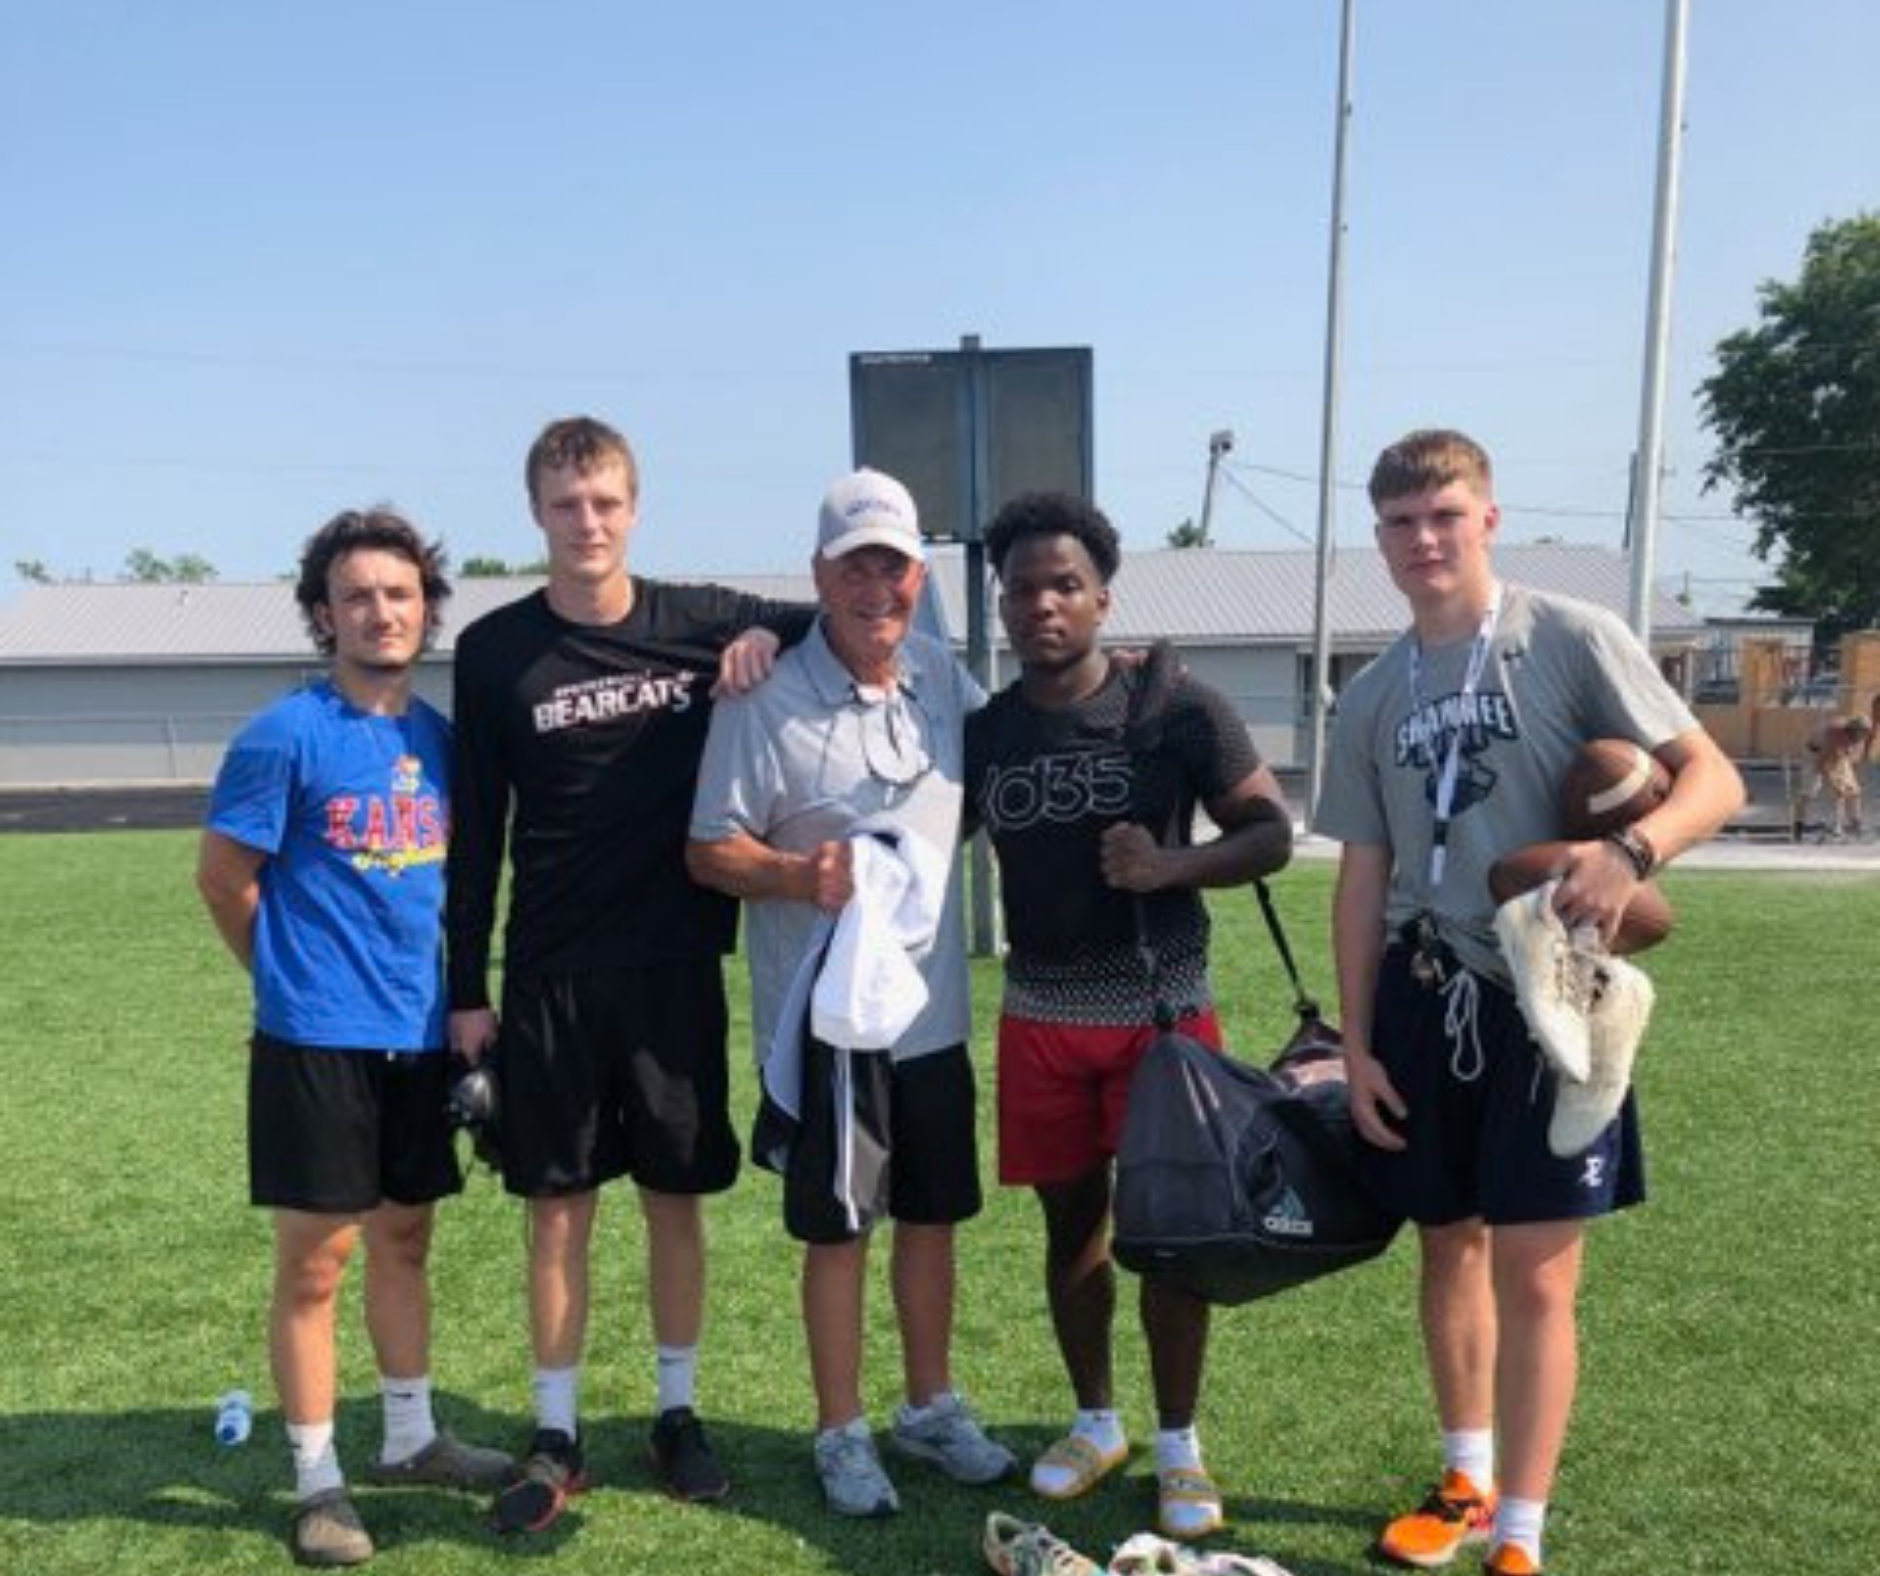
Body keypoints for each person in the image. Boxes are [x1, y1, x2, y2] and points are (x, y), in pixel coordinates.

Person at [1316, 430, 1744, 1576]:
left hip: (1555, 993)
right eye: (1402, 524)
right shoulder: (1368, 696)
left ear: (1487, 519)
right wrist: (1353, 1044)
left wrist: (1631, 849)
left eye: (1444, 516)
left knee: (1538, 1266)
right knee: (1445, 1243)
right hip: (1427, 986)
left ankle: (1520, 1534)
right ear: (1379, 540)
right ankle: (1464, 1475)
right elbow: (1360, 878)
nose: (1424, 540)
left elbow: (1715, 775)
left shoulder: (1567, 636)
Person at [446, 416, 813, 1533]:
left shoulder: (696, 620)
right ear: (537, 514)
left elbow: (833, 620)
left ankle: (675, 1410)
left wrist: (763, 642)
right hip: (551, 968)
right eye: (566, 504)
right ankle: (555, 1428)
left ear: (634, 506)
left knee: (672, 1201)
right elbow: (475, 832)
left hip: (671, 965)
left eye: (604, 501)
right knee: (555, 1208)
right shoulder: (495, 648)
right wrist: (468, 985)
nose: (587, 522)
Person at [686, 467, 1015, 1518]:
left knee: (931, 1219)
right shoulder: (763, 693)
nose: (878, 585)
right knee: (840, 1232)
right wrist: (793, 875)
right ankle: (839, 1428)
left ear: (919, 574)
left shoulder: (940, 678)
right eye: (855, 564)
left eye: (895, 564)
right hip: (827, 1027)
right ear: (819, 573)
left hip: (932, 1020)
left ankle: (928, 1407)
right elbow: (705, 848)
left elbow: (1020, 744)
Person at [964, 491, 1294, 1540]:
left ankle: (1177, 1444)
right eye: (1022, 587)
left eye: (1064, 584)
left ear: (1102, 596)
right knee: (1072, 1230)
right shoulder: (985, 731)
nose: (1042, 604)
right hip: (1039, 1015)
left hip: (1160, 1019)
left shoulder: (1176, 708)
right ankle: (1096, 1419)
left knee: (1173, 1238)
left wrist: (1171, 864)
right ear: (1001, 603)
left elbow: (1269, 833)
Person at [197, 509, 513, 1569]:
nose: (381, 611)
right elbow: (224, 880)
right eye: (358, 595)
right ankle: (317, 1476)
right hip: (315, 1042)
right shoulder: (283, 734)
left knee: (406, 1238)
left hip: (417, 1037)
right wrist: (291, 986)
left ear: (426, 609)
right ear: (323, 614)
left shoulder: (439, 742)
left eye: (400, 592)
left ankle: (412, 1437)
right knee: (315, 1262)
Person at [1801, 712, 1872, 839]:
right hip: (1816, 753)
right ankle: (1801, 822)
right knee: (1812, 790)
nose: (1863, 736)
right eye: (1861, 732)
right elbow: (1823, 762)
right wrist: (1834, 782)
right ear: (1854, 729)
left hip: (1838, 755)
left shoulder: (1859, 736)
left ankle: (1855, 823)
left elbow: (1852, 757)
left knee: (1854, 790)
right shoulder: (1836, 733)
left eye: (1865, 733)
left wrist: (1848, 779)